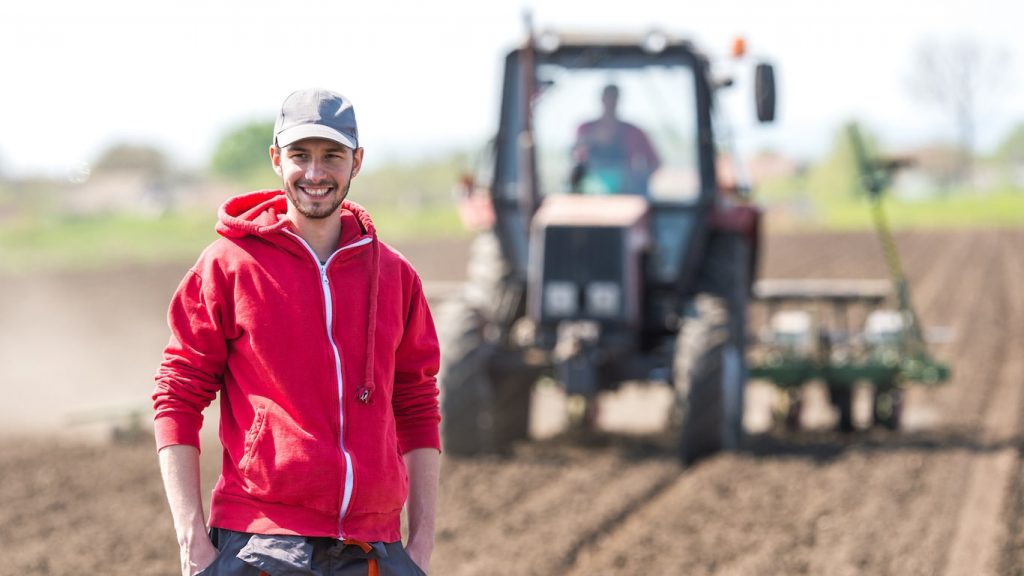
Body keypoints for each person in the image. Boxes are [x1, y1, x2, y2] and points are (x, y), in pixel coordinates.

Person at [153, 88, 441, 576]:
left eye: (332, 156)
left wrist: (422, 544)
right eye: (299, 155)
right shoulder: (228, 267)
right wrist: (192, 540)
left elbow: (417, 405)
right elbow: (177, 397)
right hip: (261, 541)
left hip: (374, 547)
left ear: (357, 162)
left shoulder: (395, 275)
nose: (315, 173)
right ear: (275, 159)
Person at [571, 83, 661, 195]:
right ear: (602, 99)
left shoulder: (634, 132)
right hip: (591, 195)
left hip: (627, 194)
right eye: (608, 98)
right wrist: (591, 140)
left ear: (619, 100)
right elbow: (576, 155)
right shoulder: (585, 129)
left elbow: (655, 162)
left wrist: (640, 180)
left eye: (614, 98)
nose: (610, 102)